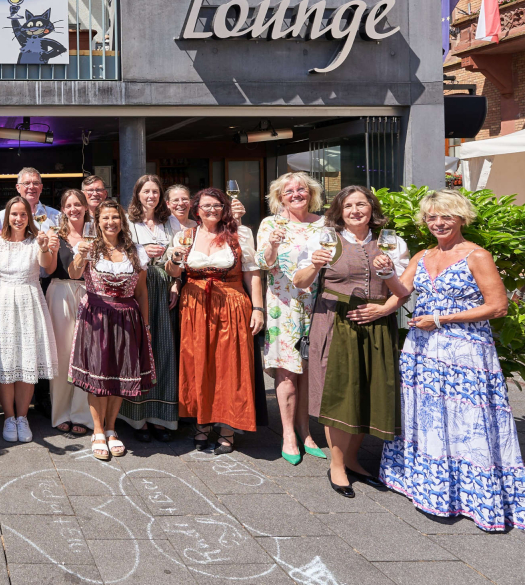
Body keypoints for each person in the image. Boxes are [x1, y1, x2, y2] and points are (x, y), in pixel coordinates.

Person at [378, 190, 525, 532]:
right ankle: (430, 488)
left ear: (462, 218)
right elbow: (402, 293)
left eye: (446, 216)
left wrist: (441, 319)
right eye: (432, 217)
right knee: (427, 415)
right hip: (422, 350)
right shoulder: (422, 254)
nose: (438, 222)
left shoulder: (477, 255)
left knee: (467, 420)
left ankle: (473, 497)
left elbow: (497, 306)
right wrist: (384, 275)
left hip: (465, 351)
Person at [291, 186, 407, 497]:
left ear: (372, 208)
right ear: (339, 212)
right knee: (339, 393)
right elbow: (299, 283)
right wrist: (314, 265)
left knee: (370, 391)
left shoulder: (391, 242)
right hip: (335, 322)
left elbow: (404, 292)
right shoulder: (325, 239)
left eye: (361, 204)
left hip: (378, 324)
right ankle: (338, 465)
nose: (355, 210)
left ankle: (353, 459)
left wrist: (384, 305)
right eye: (348, 206)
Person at [167, 188, 264, 454]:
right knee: (198, 364)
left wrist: (258, 308)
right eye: (207, 206)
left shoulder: (240, 234)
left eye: (217, 206)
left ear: (225, 208)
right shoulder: (184, 235)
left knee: (230, 365)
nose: (212, 210)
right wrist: (175, 259)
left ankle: (227, 427)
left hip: (231, 303)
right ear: (196, 209)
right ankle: (201, 423)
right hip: (195, 306)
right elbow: (175, 272)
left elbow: (252, 274)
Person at [67, 199, 153, 460]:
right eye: (105, 218)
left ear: (122, 221)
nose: (110, 222)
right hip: (96, 316)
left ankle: (112, 428)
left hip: (128, 316)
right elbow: (73, 274)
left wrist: (145, 325)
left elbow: (141, 291)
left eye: (115, 217)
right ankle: (97, 431)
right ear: (97, 221)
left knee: (119, 376)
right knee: (98, 376)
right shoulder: (89, 248)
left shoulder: (136, 251)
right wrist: (80, 255)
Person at [254, 173, 328, 465]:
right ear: (280, 197)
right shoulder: (271, 223)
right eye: (289, 191)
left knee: (308, 371)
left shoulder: (322, 223)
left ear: (310, 193)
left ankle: (305, 431)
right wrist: (272, 244)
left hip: (316, 305)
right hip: (282, 307)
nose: (296, 194)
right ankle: (287, 434)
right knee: (287, 370)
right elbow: (262, 263)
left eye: (301, 190)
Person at [0, 196, 57, 442]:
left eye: (23, 214)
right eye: (14, 214)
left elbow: (49, 267)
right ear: (6, 216)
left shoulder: (37, 241)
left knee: (27, 362)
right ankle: (8, 417)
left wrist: (45, 247)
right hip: (2, 303)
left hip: (30, 302)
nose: (18, 218)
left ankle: (22, 417)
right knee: (5, 364)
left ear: (29, 217)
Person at [120, 175, 180, 441]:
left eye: (155, 191)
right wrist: (144, 249)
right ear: (137, 194)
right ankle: (137, 419)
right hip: (138, 286)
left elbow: (180, 255)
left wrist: (176, 282)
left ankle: (161, 416)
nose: (151, 196)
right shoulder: (127, 221)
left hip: (165, 285)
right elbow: (119, 252)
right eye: (146, 191)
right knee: (140, 352)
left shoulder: (171, 222)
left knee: (164, 350)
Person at [46, 190, 92, 436]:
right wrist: (48, 250)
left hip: (90, 292)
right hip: (61, 291)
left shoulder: (96, 233)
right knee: (62, 355)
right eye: (69, 205)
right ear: (62, 209)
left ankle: (83, 414)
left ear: (85, 207)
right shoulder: (56, 235)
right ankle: (61, 412)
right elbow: (49, 268)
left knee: (86, 355)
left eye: (78, 204)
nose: (74, 209)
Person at [0, 167, 61, 231]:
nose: (31, 187)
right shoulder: (3, 216)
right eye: (26, 183)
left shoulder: (55, 216)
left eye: (35, 183)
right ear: (18, 188)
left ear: (41, 188)